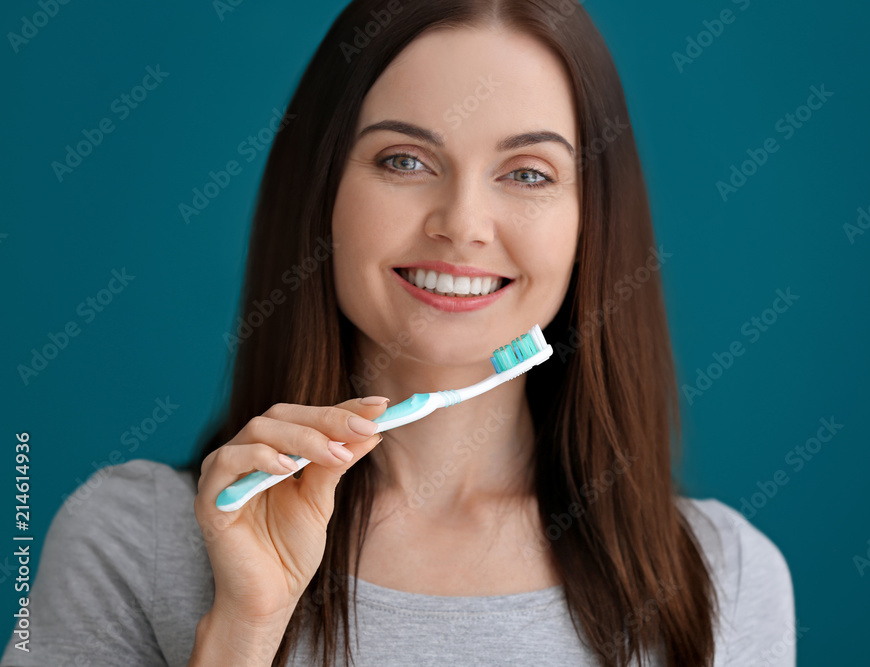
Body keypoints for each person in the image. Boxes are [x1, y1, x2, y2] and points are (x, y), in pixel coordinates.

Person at [2, 1, 795, 665]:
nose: (462, 225)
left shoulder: (723, 577)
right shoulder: (131, 544)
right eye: (406, 160)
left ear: (593, 224)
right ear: (322, 194)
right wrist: (241, 632)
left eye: (528, 173)